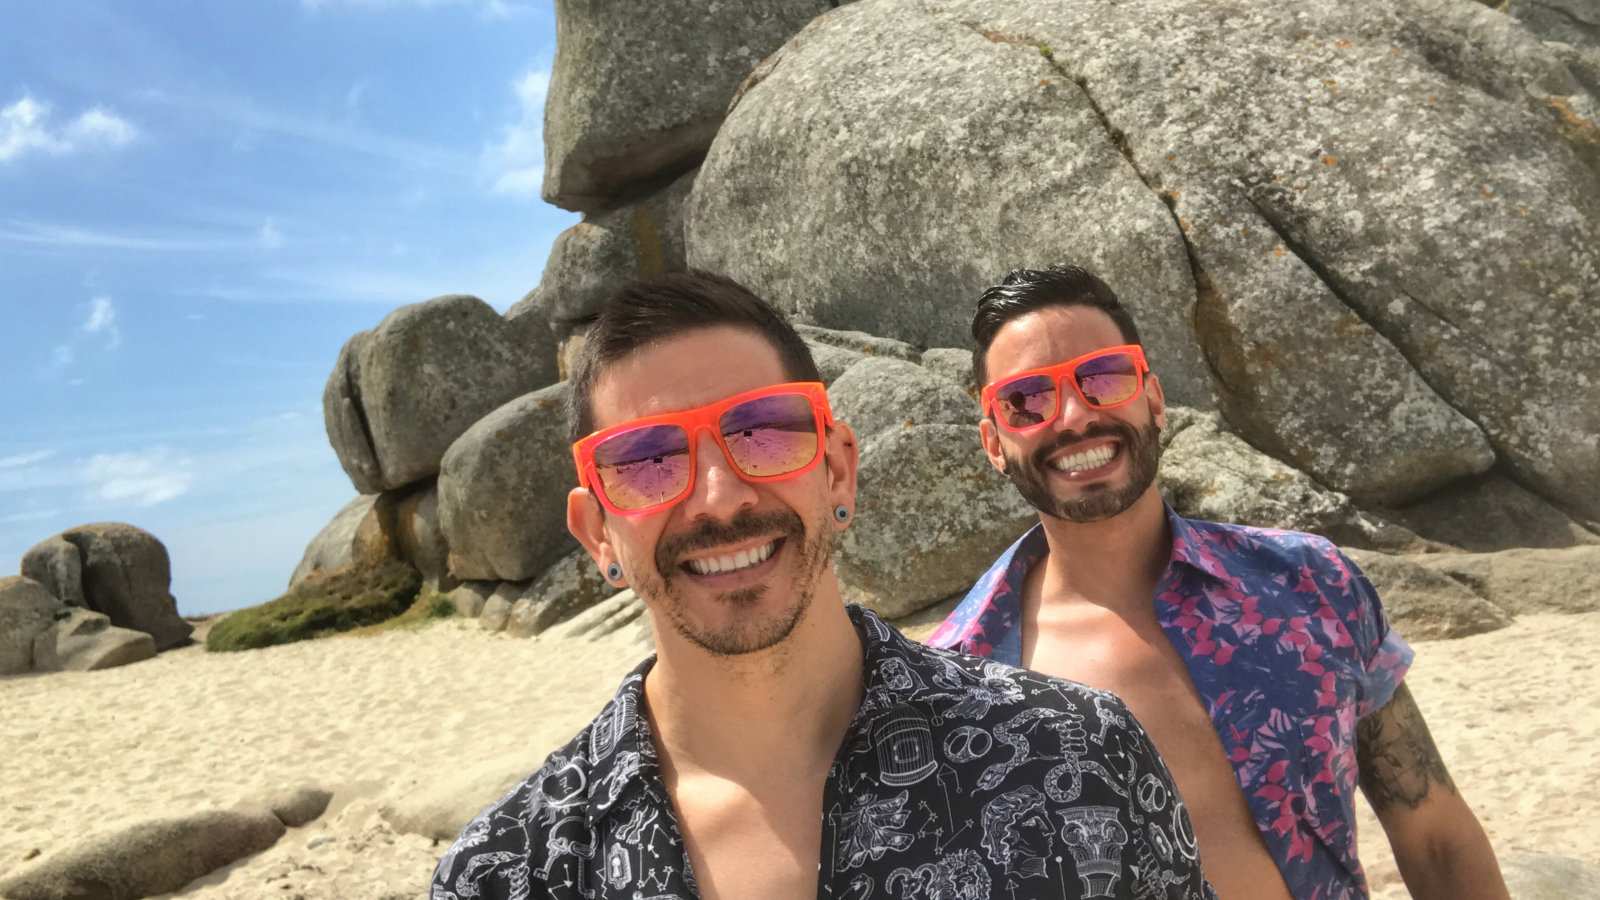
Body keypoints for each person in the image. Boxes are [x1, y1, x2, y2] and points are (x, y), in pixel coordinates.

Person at [430, 271, 1215, 900]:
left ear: (838, 467)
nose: (719, 496)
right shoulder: (511, 871)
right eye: (645, 461)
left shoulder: (1072, 755)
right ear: (598, 529)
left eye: (764, 430)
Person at [929, 265, 1510, 900]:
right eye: (1026, 400)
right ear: (993, 441)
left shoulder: (1310, 584)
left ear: (1152, 398)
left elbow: (1435, 836)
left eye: (1103, 378)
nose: (1072, 417)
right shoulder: (960, 679)